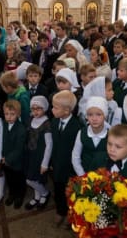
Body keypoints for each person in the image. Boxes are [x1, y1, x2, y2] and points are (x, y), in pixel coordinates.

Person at [50, 91, 82, 226]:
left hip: (70, 168)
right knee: (58, 191)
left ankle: (71, 214)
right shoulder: (54, 121)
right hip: (56, 166)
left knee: (71, 193)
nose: (52, 109)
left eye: (55, 107)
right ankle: (60, 211)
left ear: (67, 110)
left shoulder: (77, 127)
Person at [24, 96, 52, 210]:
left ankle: (45, 193)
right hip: (30, 154)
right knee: (33, 178)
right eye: (33, 108)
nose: (35, 111)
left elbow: (49, 145)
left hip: (40, 156)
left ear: (44, 109)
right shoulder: (30, 120)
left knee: (30, 179)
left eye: (38, 109)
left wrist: (45, 163)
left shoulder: (46, 123)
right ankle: (37, 196)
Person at [0, 99, 27, 209]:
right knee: (10, 179)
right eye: (6, 114)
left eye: (12, 114)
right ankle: (12, 194)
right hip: (4, 159)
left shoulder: (21, 129)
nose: (9, 117)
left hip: (17, 161)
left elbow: (19, 149)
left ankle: (20, 195)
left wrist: (8, 159)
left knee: (19, 179)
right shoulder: (3, 124)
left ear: (18, 114)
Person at [72, 96, 110, 176]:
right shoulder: (82, 132)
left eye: (98, 114)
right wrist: (82, 175)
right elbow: (75, 157)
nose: (94, 118)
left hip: (105, 177)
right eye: (90, 115)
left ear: (105, 115)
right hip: (84, 174)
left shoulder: (111, 134)